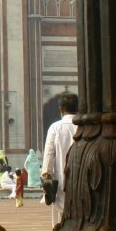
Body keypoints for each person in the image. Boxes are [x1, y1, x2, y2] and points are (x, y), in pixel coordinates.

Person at [43, 92, 80, 222]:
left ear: (61, 109)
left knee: (61, 213)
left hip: (60, 178)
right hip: (81, 178)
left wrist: (47, 173)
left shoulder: (55, 127)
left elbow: (49, 153)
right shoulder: (83, 126)